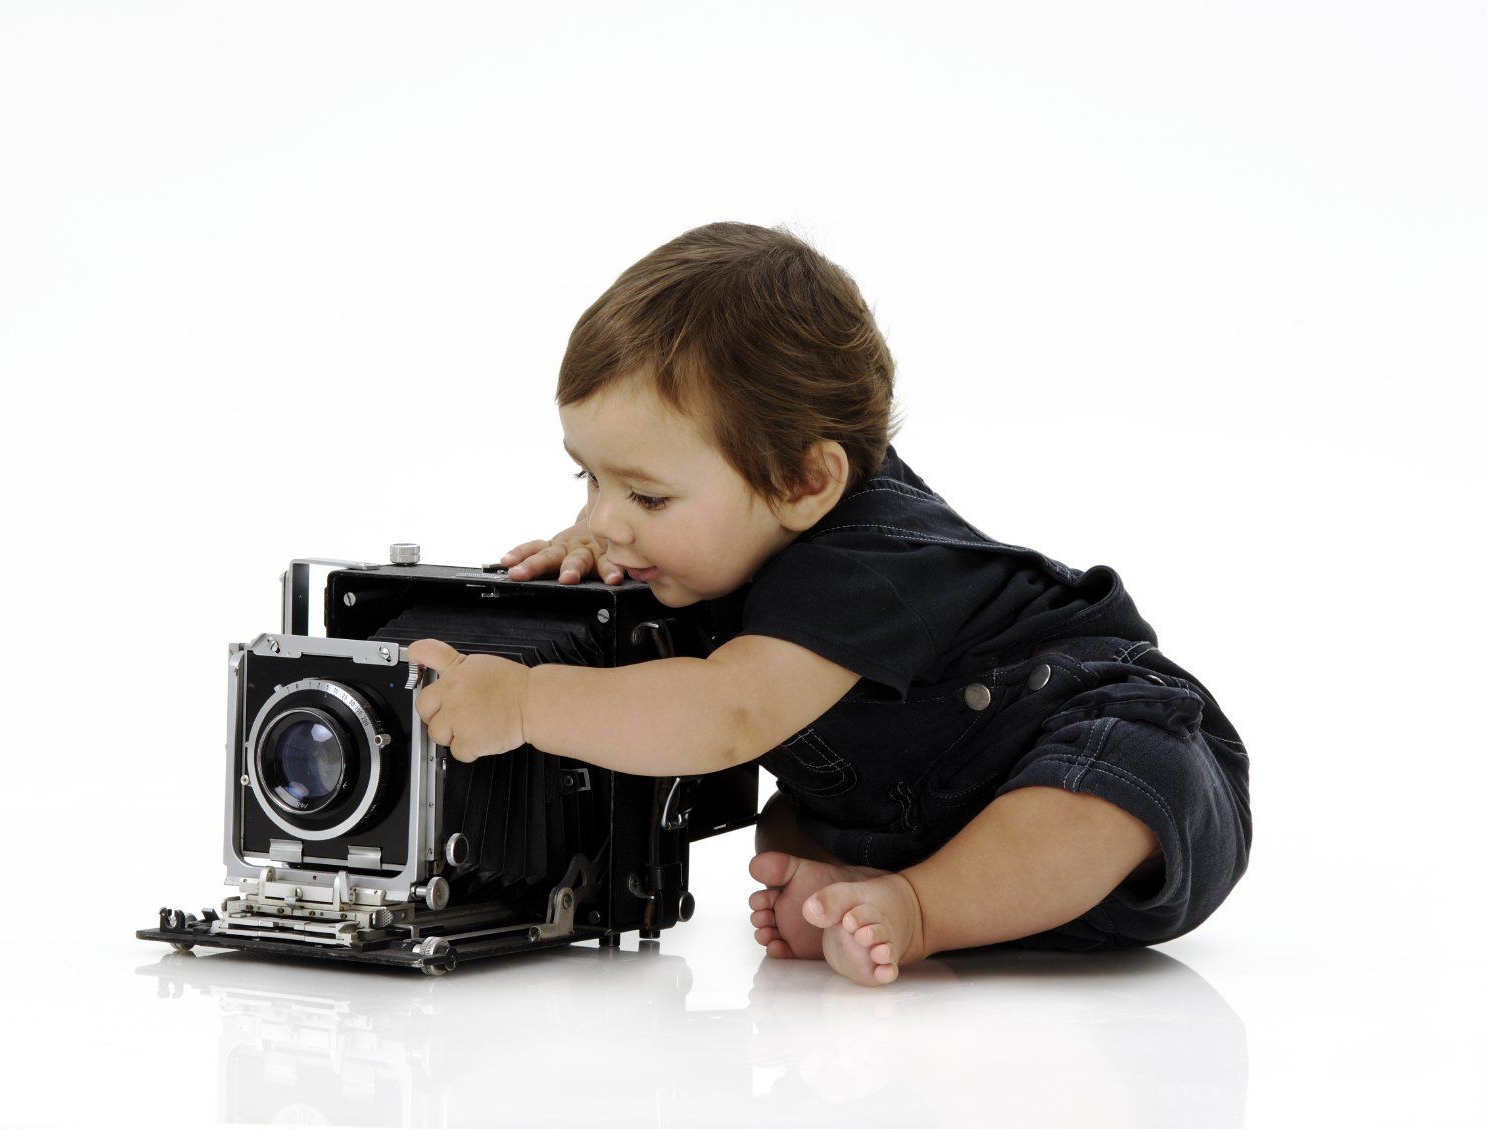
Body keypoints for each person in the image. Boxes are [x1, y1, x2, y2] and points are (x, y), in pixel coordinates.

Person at [407, 221, 1251, 987]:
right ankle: (849, 890)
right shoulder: (743, 525)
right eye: (588, 479)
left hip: (1102, 743)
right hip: (912, 804)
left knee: (1114, 783)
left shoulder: (864, 562)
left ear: (808, 482)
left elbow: (724, 714)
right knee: (791, 815)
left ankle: (920, 908)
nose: (601, 519)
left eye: (648, 497)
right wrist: (602, 554)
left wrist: (523, 700)